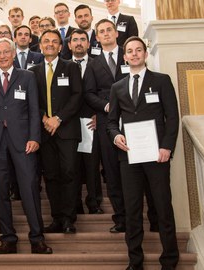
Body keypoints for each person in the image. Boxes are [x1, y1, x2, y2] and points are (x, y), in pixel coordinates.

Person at [107, 36, 179, 270]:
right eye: (130, 51)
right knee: (133, 209)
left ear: (145, 54)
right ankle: (135, 260)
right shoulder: (117, 87)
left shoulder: (161, 81)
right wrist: (116, 136)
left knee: (162, 207)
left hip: (157, 156)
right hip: (129, 157)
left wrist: (167, 147)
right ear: (125, 56)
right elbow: (111, 122)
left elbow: (172, 118)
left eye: (139, 50)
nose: (135, 54)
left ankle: (169, 260)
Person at [0, 38, 52, 254]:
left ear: (12, 53)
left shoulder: (27, 76)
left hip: (23, 142)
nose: (2, 56)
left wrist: (35, 137)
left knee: (29, 188)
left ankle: (37, 238)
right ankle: (7, 238)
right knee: (0, 191)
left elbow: (34, 109)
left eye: (5, 52)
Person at [29, 29, 82, 233]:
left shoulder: (71, 67)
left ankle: (69, 219)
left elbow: (77, 96)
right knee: (50, 176)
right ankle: (57, 218)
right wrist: (44, 118)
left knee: (69, 173)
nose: (49, 44)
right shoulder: (32, 71)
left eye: (54, 41)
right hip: (44, 132)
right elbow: (32, 101)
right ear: (40, 46)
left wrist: (58, 118)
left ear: (61, 46)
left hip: (66, 130)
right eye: (45, 41)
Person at [84, 19, 127, 233]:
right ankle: (121, 218)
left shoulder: (130, 55)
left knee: (134, 170)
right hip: (106, 122)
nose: (106, 33)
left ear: (116, 33)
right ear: (97, 38)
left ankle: (145, 215)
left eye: (109, 29)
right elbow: (89, 94)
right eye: (101, 31)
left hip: (132, 121)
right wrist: (106, 105)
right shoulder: (93, 64)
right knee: (111, 171)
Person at [68, 29, 103, 214]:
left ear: (89, 44)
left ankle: (94, 203)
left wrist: (100, 115)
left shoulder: (98, 65)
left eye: (83, 39)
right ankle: (75, 205)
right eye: (75, 40)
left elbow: (104, 92)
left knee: (92, 166)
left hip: (92, 121)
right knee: (72, 166)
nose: (79, 43)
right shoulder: (64, 66)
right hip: (69, 123)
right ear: (69, 45)